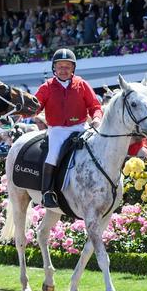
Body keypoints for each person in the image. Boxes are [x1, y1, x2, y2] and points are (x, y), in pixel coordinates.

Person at [34, 48, 103, 208]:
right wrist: (26, 110)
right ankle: (47, 192)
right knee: (53, 154)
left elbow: (94, 105)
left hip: (80, 127)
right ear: (54, 68)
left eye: (67, 66)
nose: (63, 70)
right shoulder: (46, 87)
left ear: (73, 68)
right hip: (58, 129)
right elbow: (35, 106)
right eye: (60, 66)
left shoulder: (82, 84)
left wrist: (97, 118)